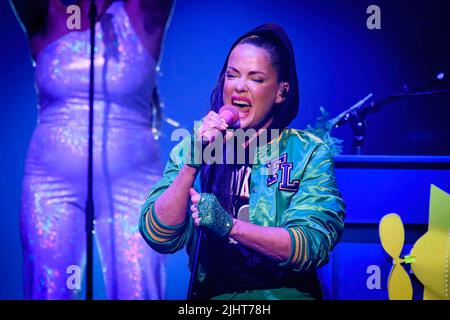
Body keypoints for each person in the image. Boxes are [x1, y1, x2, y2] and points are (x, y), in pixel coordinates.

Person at [139, 23, 346, 300]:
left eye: (256, 79)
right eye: (232, 75)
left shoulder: (306, 153)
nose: (239, 87)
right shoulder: (196, 147)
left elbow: (311, 245)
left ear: (281, 91)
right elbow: (158, 235)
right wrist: (193, 163)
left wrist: (230, 226)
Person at [12, 0, 173, 299]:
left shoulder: (142, 12)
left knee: (137, 292)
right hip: (51, 185)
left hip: (133, 183)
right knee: (50, 290)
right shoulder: (45, 12)